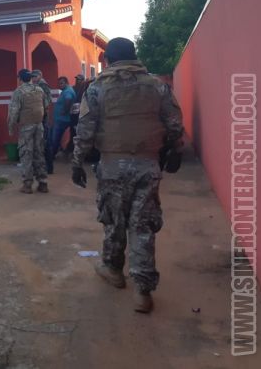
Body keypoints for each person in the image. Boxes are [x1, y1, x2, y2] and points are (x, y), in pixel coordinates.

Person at [71, 37, 184, 313]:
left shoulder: (97, 89)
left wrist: (77, 162)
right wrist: (176, 150)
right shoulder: (157, 86)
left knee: (114, 220)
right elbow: (173, 122)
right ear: (135, 56)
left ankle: (113, 270)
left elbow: (85, 130)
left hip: (112, 165)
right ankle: (143, 292)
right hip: (147, 164)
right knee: (142, 225)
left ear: (108, 60)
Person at [8, 69, 50, 193]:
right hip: (39, 126)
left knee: (26, 154)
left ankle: (27, 184)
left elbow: (14, 111)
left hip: (26, 127)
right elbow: (45, 106)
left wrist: (11, 127)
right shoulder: (39, 90)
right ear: (31, 78)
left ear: (20, 79)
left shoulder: (19, 92)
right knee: (39, 153)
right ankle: (43, 183)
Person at [49, 76, 76, 166]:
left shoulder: (68, 91)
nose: (60, 85)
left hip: (62, 119)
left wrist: (64, 111)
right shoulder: (66, 91)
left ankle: (51, 156)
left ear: (66, 83)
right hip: (60, 119)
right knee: (55, 137)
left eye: (61, 83)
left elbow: (68, 100)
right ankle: (56, 153)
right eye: (59, 84)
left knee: (55, 138)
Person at [31, 69, 54, 173]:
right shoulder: (37, 85)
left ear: (40, 76)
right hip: (40, 116)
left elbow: (48, 101)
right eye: (32, 76)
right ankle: (46, 167)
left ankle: (48, 167)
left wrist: (40, 109)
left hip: (43, 117)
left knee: (45, 142)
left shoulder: (42, 85)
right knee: (42, 142)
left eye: (35, 76)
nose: (33, 78)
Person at [66, 74, 87, 155]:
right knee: (73, 131)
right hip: (73, 114)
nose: (77, 81)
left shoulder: (85, 89)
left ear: (83, 80)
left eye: (79, 79)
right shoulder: (73, 88)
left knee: (80, 132)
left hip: (82, 113)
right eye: (77, 79)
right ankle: (71, 149)